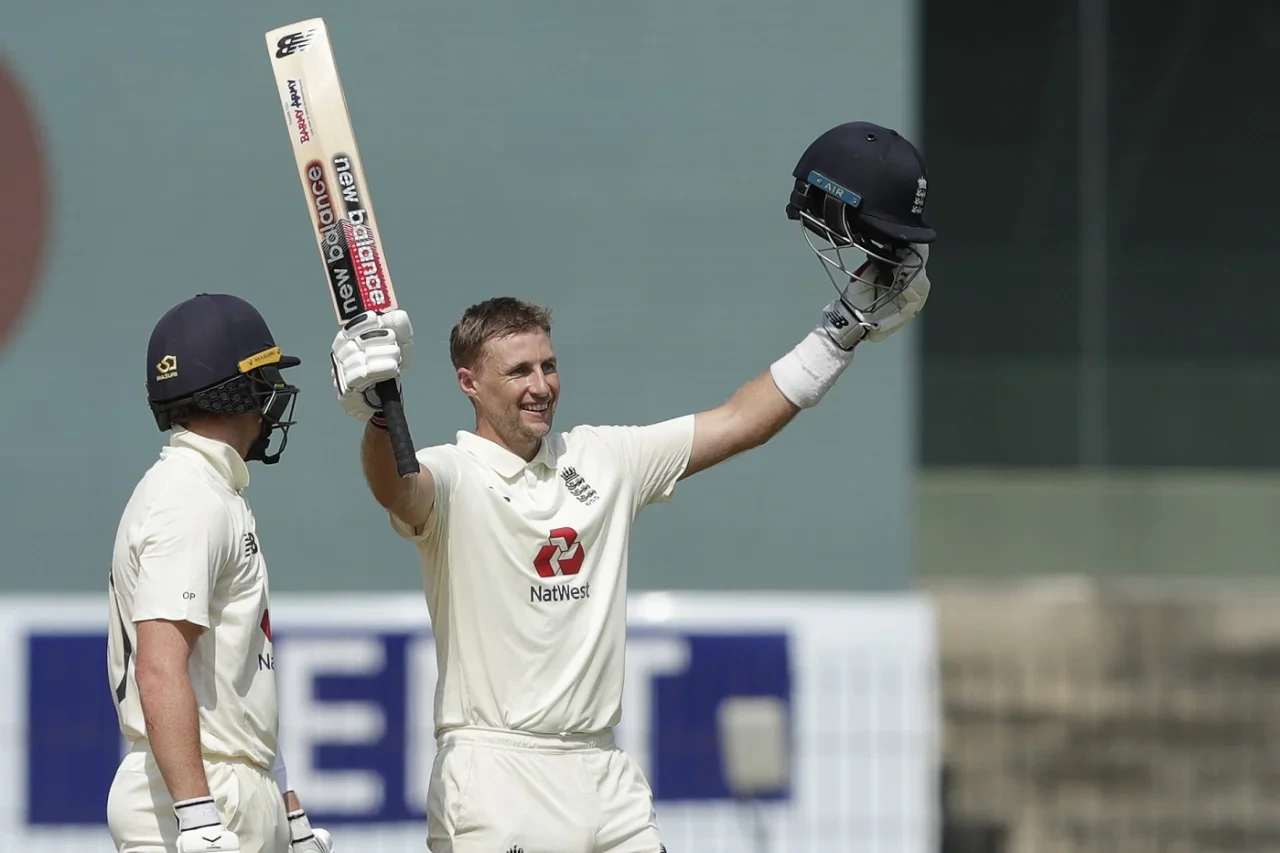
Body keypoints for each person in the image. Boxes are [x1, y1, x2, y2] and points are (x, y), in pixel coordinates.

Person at [327, 120, 937, 853]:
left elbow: (740, 420)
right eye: (519, 371)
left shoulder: (603, 458)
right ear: (468, 383)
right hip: (494, 768)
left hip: (601, 768)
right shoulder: (453, 475)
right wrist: (371, 413)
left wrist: (839, 333)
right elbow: (397, 490)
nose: (541, 385)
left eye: (548, 366)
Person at [106, 293, 333, 853]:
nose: (273, 399)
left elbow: (235, 686)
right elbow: (159, 669)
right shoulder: (188, 497)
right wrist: (198, 818)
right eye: (265, 382)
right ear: (239, 389)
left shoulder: (210, 492)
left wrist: (286, 809)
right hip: (194, 796)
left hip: (224, 786)